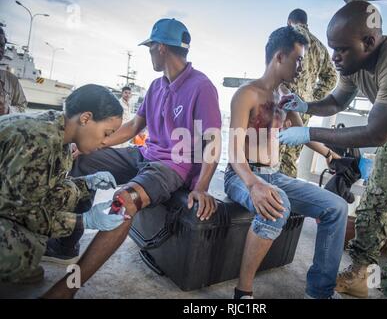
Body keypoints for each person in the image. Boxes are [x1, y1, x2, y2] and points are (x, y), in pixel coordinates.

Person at [279, 1, 387, 297]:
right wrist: (307, 106)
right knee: (376, 200)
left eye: (341, 50)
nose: (334, 57)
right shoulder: (352, 62)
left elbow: (377, 132)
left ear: (369, 42)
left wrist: (307, 131)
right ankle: (361, 275)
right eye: (333, 48)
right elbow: (337, 102)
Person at [43, 18, 222, 298]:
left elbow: (213, 141)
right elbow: (133, 128)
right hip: (142, 154)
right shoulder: (155, 86)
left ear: (160, 48)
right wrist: (94, 143)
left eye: (150, 47)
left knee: (124, 203)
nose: (149, 52)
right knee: (80, 162)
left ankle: (68, 288)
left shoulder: (202, 87)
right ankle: (65, 245)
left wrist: (201, 187)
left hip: (172, 166)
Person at [226, 26, 348, 299]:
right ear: (280, 57)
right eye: (299, 59)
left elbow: (304, 134)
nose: (302, 67)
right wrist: (253, 184)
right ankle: (243, 293)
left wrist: (330, 154)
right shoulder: (247, 95)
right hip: (242, 174)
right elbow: (234, 152)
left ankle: (319, 292)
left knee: (337, 207)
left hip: (276, 174)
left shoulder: (287, 98)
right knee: (277, 205)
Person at [0, 84, 127, 284]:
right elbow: (24, 213)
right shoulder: (39, 141)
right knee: (21, 251)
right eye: (106, 133)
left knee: (67, 192)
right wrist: (84, 221)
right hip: (12, 206)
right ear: (85, 118)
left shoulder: (57, 131)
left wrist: (87, 183)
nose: (105, 142)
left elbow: (43, 189)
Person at [279, 9, 338, 178]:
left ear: (290, 21)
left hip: (284, 102)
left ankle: (273, 194)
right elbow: (332, 77)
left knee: (274, 155)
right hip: (304, 106)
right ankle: (287, 193)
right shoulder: (320, 47)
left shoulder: (287, 36)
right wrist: (312, 101)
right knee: (291, 157)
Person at [0, 25, 27, 115]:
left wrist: (8, 110)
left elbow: (22, 108)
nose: (0, 48)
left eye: (2, 45)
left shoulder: (12, 80)